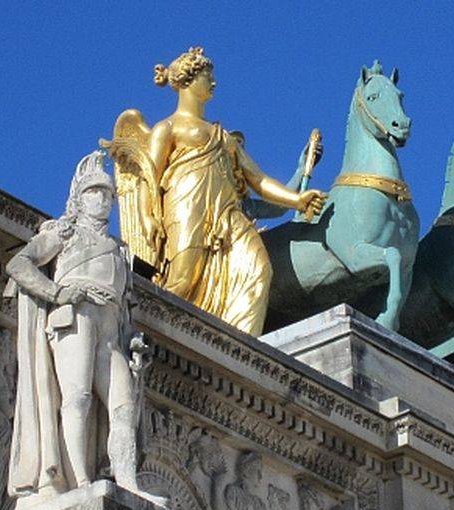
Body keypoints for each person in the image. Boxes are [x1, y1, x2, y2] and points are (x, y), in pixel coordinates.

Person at [106, 46, 327, 335]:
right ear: (188, 80)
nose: (213, 82)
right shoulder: (167, 128)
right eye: (207, 76)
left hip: (227, 216)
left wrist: (297, 200)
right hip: (186, 207)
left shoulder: (223, 136)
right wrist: (148, 216)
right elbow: (149, 176)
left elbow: (259, 181)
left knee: (258, 270)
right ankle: (142, 334)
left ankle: (240, 351)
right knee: (183, 278)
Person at [3, 150, 163, 510]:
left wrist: (132, 338)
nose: (102, 200)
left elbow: (124, 307)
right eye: (94, 193)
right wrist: (55, 292)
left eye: (107, 195)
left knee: (123, 408)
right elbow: (19, 264)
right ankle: (79, 482)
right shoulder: (64, 233)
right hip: (74, 319)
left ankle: (128, 484)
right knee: (76, 399)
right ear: (79, 198)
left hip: (111, 332)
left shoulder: (119, 250)